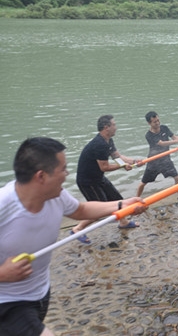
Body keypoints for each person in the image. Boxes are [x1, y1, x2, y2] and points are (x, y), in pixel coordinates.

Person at [0, 137, 145, 336]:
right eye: (63, 169)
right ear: (41, 176)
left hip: (40, 293)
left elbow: (81, 210)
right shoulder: (3, 206)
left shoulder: (55, 196)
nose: (67, 174)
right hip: (7, 302)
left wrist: (121, 205)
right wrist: (2, 274)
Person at [72, 115, 142, 244]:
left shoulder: (108, 140)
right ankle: (77, 229)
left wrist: (134, 161)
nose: (116, 127)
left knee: (117, 199)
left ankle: (123, 222)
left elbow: (117, 156)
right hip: (88, 181)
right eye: (114, 125)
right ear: (106, 127)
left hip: (98, 178)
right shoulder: (99, 144)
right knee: (99, 209)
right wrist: (122, 166)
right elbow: (104, 167)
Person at [136, 111, 178, 199]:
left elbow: (176, 138)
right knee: (143, 183)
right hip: (153, 162)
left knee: (177, 177)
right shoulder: (149, 135)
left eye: (158, 120)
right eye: (155, 122)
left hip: (165, 159)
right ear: (149, 123)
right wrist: (176, 141)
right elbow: (162, 143)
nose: (157, 123)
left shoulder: (164, 128)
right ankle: (136, 198)